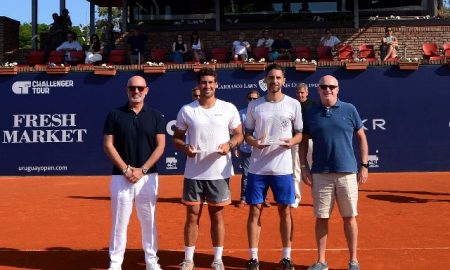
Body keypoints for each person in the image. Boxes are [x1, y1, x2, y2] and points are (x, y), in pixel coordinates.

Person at [172, 68, 244, 270]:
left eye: (211, 82)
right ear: (198, 85)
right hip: (194, 171)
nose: (207, 86)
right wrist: (185, 147)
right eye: (204, 82)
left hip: (219, 172)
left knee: (217, 216)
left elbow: (239, 134)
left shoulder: (228, 108)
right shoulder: (187, 110)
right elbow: (176, 138)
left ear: (217, 84)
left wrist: (228, 146)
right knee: (192, 215)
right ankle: (188, 259)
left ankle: (218, 259)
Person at [300, 75, 368, 270]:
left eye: (331, 86)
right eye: (323, 86)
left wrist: (364, 165)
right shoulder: (311, 112)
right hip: (320, 173)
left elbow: (361, 137)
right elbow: (303, 141)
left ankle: (353, 261)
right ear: (318, 90)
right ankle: (321, 261)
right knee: (322, 217)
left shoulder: (350, 109)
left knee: (349, 217)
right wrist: (304, 166)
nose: (327, 89)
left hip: (347, 172)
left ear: (338, 89)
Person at [103, 75, 166, 270]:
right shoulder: (114, 114)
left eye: (140, 88)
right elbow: (108, 144)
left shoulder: (156, 115)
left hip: (148, 177)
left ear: (146, 90)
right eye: (132, 88)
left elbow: (161, 146)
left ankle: (151, 262)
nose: (136, 91)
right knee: (119, 222)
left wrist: (143, 170)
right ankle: (115, 264)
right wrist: (126, 169)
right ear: (126, 90)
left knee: (149, 222)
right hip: (120, 177)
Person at [244, 64, 303, 270]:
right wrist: (254, 143)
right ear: (265, 80)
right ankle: (253, 258)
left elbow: (299, 133)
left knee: (285, 212)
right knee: (254, 212)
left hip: (283, 168)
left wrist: (292, 142)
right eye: (271, 78)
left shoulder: (294, 104)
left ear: (284, 81)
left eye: (278, 78)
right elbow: (247, 134)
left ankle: (286, 257)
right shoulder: (255, 105)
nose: (274, 81)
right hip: (257, 168)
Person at [290, 83, 316, 208]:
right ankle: (296, 197)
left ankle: (316, 198)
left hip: (311, 141)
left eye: (302, 92)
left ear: (307, 92)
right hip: (297, 141)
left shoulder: (314, 105)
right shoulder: (292, 106)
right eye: (298, 93)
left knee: (315, 170)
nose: (300, 95)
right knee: (296, 170)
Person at [235, 90, 260, 208]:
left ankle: (261, 197)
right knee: (246, 174)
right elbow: (237, 133)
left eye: (255, 99)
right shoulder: (241, 114)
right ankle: (243, 198)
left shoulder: (264, 113)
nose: (252, 101)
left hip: (261, 149)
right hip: (246, 148)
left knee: (262, 175)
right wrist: (235, 147)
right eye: (250, 98)